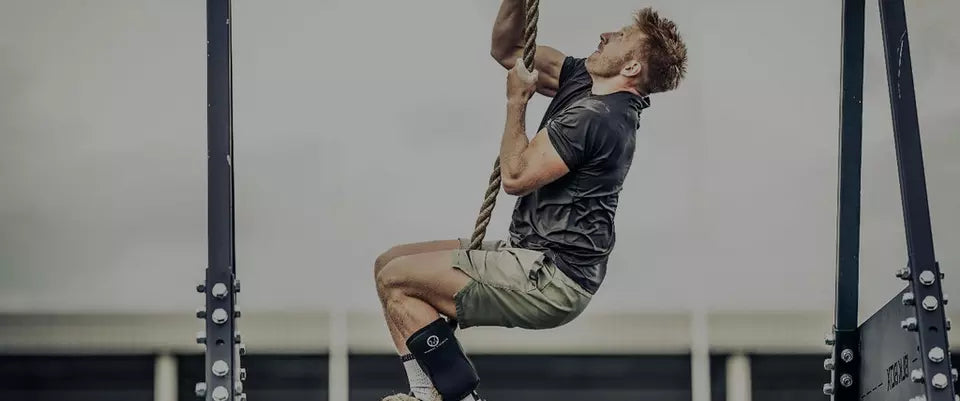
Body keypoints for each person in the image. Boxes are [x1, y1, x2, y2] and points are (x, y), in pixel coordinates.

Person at [375, 3, 688, 400]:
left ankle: (438, 394)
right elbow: (509, 50)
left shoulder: (599, 118)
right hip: (531, 257)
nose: (607, 35)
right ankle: (439, 393)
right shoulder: (582, 81)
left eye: (622, 37)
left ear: (630, 69)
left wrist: (516, 102)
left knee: (398, 279)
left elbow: (516, 176)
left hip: (552, 279)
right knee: (389, 263)